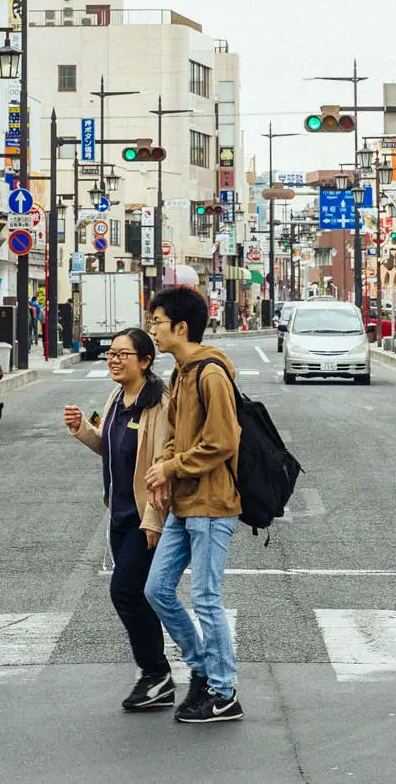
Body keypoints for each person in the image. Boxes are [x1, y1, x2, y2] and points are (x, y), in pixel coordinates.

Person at [141, 284, 243, 724]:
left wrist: (173, 467)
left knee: (205, 597)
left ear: (181, 327)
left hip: (213, 502)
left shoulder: (210, 374)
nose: (153, 331)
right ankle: (203, 668)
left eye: (157, 323)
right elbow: (178, 436)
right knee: (157, 589)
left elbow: (222, 441)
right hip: (184, 501)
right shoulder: (181, 373)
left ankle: (224, 692)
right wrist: (163, 467)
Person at [65, 325, 174, 711]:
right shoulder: (116, 396)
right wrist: (84, 429)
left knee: (126, 592)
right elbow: (110, 449)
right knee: (139, 595)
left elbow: (162, 465)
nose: (113, 359)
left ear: (145, 361)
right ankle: (156, 676)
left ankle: (156, 673)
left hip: (145, 518)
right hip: (119, 514)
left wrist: (155, 521)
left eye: (122, 354)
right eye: (111, 353)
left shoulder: (158, 403)